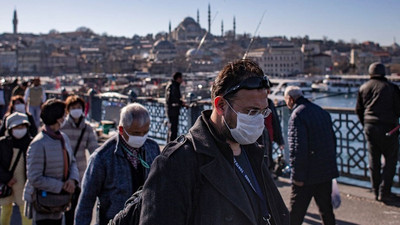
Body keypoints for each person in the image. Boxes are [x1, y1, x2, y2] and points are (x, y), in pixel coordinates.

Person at [137, 59, 289, 225]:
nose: (258, 119)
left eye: (262, 112)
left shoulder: (254, 153)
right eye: (251, 111)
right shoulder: (176, 164)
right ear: (221, 105)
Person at [75, 103, 160, 225]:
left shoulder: (152, 148)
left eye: (145, 132)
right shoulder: (102, 157)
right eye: (136, 133)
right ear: (121, 130)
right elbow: (86, 202)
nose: (141, 137)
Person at [284, 86, 339, 225]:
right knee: (326, 211)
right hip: (325, 171)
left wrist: (297, 176)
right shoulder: (321, 111)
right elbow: (332, 141)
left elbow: (297, 148)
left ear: (290, 99)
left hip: (307, 174)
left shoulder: (297, 115)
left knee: (295, 214)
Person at [23, 99, 79, 225]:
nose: (65, 117)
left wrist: (72, 180)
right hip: (44, 204)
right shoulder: (38, 144)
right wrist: (61, 187)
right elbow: (34, 178)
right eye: (63, 115)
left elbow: (72, 162)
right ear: (58, 118)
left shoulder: (63, 138)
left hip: (61, 203)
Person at [355, 62, 400, 202]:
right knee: (390, 160)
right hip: (389, 127)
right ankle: (384, 191)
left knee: (373, 160)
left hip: (370, 127)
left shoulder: (364, 87)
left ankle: (375, 191)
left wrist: (365, 124)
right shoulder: (392, 88)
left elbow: (359, 109)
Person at [60, 95, 98, 225]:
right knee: (63, 209)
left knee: (77, 209)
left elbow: (94, 150)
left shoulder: (87, 128)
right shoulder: (62, 127)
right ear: (68, 110)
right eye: (73, 107)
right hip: (63, 173)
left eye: (79, 107)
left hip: (80, 174)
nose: (77, 110)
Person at [0, 112, 33, 225]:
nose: (20, 129)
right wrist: (7, 178)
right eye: (17, 127)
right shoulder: (3, 143)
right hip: (6, 182)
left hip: (23, 182)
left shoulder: (31, 143)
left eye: (22, 127)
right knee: (5, 211)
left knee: (25, 212)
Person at [165, 72, 185, 143]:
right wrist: (181, 103)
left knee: (171, 129)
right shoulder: (173, 86)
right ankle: (171, 146)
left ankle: (169, 144)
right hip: (173, 110)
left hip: (171, 110)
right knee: (173, 129)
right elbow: (173, 98)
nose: (182, 80)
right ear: (178, 78)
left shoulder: (171, 85)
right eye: (181, 78)